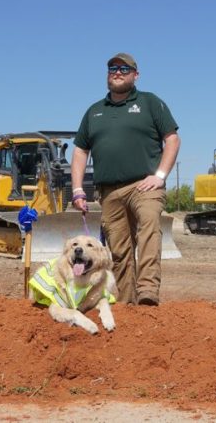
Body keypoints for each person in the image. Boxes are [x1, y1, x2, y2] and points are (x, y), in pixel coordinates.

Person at [71, 53, 180, 306]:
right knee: (119, 251)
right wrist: (77, 189)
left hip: (144, 185)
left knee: (149, 226)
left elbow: (172, 139)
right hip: (109, 192)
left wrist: (160, 176)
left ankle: (147, 291)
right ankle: (127, 304)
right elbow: (80, 150)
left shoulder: (150, 103)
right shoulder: (94, 111)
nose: (117, 72)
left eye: (123, 68)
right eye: (112, 69)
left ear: (135, 75)